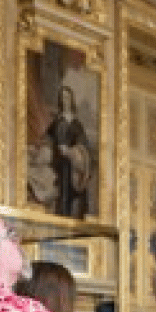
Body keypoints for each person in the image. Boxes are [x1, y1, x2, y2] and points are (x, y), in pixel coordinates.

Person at [45, 85, 96, 218]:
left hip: (74, 158)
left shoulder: (76, 123)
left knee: (80, 175)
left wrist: (75, 152)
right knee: (65, 170)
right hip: (60, 158)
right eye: (62, 97)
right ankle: (63, 212)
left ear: (71, 99)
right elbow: (49, 139)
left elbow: (83, 142)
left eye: (67, 97)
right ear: (60, 100)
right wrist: (61, 149)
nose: (65, 100)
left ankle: (80, 214)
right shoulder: (57, 120)